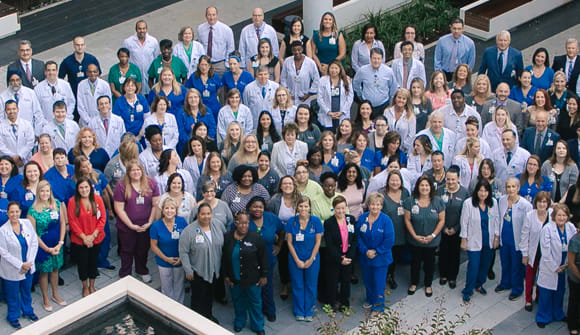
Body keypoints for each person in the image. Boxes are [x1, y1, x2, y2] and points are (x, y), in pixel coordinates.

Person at [222, 209, 267, 334]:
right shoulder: (227, 237)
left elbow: (263, 258)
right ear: (235, 223)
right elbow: (224, 258)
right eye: (241, 223)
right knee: (238, 302)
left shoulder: (256, 238)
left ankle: (258, 326)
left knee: (255, 303)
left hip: (253, 279)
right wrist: (226, 276)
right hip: (234, 278)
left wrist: (264, 275)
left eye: (246, 223)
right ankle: (239, 322)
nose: (244, 226)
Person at [113, 160, 159, 281]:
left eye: (138, 169)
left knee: (142, 250)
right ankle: (125, 274)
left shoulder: (151, 183)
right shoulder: (121, 186)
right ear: (128, 172)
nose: (136, 172)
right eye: (133, 170)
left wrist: (150, 222)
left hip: (145, 225)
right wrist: (131, 225)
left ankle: (141, 270)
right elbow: (119, 209)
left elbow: (155, 205)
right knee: (127, 251)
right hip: (127, 227)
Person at [179, 203, 224, 322]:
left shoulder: (218, 225)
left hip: (215, 270)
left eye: (208, 213)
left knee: (209, 296)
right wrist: (188, 270)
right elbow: (183, 252)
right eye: (203, 214)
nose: (206, 216)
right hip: (198, 272)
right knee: (198, 298)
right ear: (198, 215)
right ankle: (197, 321)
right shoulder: (189, 231)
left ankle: (208, 316)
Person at [26, 181, 66, 312]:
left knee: (55, 270)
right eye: (42, 191)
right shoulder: (32, 210)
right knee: (44, 273)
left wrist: (60, 243)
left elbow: (62, 224)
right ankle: (45, 298)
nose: (45, 193)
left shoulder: (57, 204)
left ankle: (55, 294)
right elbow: (33, 234)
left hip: (57, 245)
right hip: (43, 248)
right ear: (38, 192)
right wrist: (47, 249)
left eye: (47, 191)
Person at [535, 204, 576, 328]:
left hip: (565, 265)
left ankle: (558, 313)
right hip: (550, 267)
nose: (562, 218)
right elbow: (545, 251)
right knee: (546, 293)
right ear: (554, 216)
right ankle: (543, 316)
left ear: (567, 216)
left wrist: (568, 264)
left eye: (564, 215)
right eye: (559, 215)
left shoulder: (571, 227)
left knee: (560, 291)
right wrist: (554, 267)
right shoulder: (547, 228)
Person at [404, 176, 445, 297]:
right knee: (415, 262)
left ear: (431, 187)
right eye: (422, 185)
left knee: (430, 263)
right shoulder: (410, 201)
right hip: (415, 240)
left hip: (431, 241)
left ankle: (428, 284)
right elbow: (407, 220)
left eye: (427, 185)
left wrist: (432, 235)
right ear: (417, 187)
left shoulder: (438, 201)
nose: (424, 188)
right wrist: (415, 236)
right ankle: (414, 283)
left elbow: (442, 220)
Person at [0, 202, 39, 329]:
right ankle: (13, 316)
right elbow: (4, 253)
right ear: (7, 213)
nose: (14, 214)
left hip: (28, 264)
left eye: (16, 211)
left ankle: (27, 311)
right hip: (12, 268)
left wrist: (28, 263)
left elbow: (34, 242)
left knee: (26, 291)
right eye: (11, 212)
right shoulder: (2, 231)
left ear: (20, 212)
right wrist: (21, 265)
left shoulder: (26, 223)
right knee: (12, 295)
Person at [460, 180, 500, 302]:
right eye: (480, 190)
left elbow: (497, 220)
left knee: (485, 265)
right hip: (474, 240)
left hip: (488, 240)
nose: (483, 193)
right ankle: (468, 290)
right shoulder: (468, 203)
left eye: (485, 191)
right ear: (476, 191)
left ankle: (479, 284)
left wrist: (496, 237)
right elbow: (464, 222)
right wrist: (464, 239)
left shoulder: (493, 202)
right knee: (474, 266)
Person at [286, 196, 323, 321]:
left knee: (311, 285)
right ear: (297, 207)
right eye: (301, 206)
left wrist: (311, 259)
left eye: (306, 206)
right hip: (295, 257)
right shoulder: (292, 221)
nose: (303, 208)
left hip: (312, 258)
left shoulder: (316, 221)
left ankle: (309, 311)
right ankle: (299, 311)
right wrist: (297, 260)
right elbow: (289, 243)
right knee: (297, 285)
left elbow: (318, 242)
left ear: (310, 207)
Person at [67, 177, 106, 297]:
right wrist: (84, 238)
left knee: (93, 262)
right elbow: (72, 221)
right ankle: (85, 286)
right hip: (80, 240)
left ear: (91, 188)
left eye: (86, 187)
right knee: (82, 264)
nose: (84, 190)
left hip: (96, 238)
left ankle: (92, 285)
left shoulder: (98, 199)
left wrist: (93, 236)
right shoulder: (73, 202)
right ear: (77, 189)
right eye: (81, 188)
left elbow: (102, 219)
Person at [495, 178, 533, 300]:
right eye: (508, 187)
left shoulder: (525, 205)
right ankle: (505, 283)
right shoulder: (501, 200)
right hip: (504, 239)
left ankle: (517, 289)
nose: (510, 189)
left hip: (517, 240)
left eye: (513, 187)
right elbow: (498, 218)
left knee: (516, 266)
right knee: (505, 263)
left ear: (517, 188)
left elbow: (528, 226)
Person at [246, 197, 282, 322]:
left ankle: (269, 310)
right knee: (251, 287)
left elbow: (282, 230)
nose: (257, 209)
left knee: (267, 286)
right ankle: (254, 311)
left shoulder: (271, 218)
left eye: (260, 207)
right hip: (249, 261)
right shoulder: (244, 219)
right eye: (255, 207)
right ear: (249, 207)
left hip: (267, 260)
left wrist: (278, 245)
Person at [357, 192, 394, 311]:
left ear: (381, 206)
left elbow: (389, 240)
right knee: (367, 280)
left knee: (379, 283)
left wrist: (376, 251)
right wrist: (365, 250)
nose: (375, 207)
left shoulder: (386, 220)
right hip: (366, 256)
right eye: (372, 204)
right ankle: (370, 299)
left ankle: (378, 307)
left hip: (381, 258)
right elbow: (357, 236)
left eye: (378, 205)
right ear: (368, 205)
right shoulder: (362, 218)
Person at [322, 195, 357, 311]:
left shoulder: (351, 219)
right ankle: (333, 302)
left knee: (346, 281)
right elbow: (330, 244)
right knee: (333, 281)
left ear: (346, 208)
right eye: (338, 208)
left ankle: (344, 302)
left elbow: (355, 239)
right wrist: (340, 259)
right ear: (333, 209)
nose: (341, 211)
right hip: (334, 258)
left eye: (343, 208)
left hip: (348, 257)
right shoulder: (329, 223)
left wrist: (349, 257)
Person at [150, 197, 187, 303]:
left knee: (179, 285)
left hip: (179, 260)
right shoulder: (156, 225)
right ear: (162, 210)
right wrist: (166, 259)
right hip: (163, 261)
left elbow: (186, 241)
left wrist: (181, 257)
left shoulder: (182, 222)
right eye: (167, 208)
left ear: (176, 210)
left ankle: (179, 307)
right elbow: (153, 246)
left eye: (172, 208)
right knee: (166, 287)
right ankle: (167, 308)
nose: (169, 211)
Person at [267, 176, 298, 299]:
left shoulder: (299, 199)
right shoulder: (275, 200)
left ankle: (295, 284)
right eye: (284, 183)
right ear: (280, 186)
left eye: (290, 183)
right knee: (283, 262)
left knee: (295, 261)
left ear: (294, 185)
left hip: (296, 237)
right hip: (281, 237)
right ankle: (284, 284)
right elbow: (270, 219)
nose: (287, 186)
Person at [520, 191, 552, 312]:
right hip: (533, 251)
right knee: (530, 277)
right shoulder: (530, 215)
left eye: (544, 202)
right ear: (536, 203)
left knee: (542, 276)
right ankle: (528, 299)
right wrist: (525, 253)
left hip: (546, 252)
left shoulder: (552, 214)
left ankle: (538, 296)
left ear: (548, 203)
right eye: (540, 202)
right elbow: (524, 235)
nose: (542, 204)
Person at [438, 167, 469, 288]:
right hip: (442, 228)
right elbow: (436, 210)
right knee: (443, 252)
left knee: (455, 254)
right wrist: (444, 227)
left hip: (457, 229)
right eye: (448, 179)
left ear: (458, 179)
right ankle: (443, 274)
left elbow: (465, 214)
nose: (450, 182)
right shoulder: (440, 191)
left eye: (453, 179)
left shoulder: (464, 192)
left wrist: (456, 228)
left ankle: (452, 276)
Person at [378, 170, 408, 290]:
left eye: (397, 180)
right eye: (392, 180)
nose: (395, 182)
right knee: (386, 254)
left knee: (396, 255)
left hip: (401, 229)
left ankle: (391, 274)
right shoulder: (382, 195)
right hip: (386, 232)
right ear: (388, 181)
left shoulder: (405, 193)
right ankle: (385, 276)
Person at [353, 48, 399, 118]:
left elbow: (393, 87)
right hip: (367, 106)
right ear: (370, 58)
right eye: (374, 58)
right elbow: (355, 83)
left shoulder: (388, 71)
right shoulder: (362, 70)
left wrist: (391, 103)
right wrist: (360, 95)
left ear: (382, 59)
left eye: (378, 58)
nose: (376, 61)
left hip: (383, 105)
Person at [1, 71, 45, 136]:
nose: (15, 83)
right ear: (9, 82)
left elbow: (38, 114)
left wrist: (37, 134)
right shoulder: (2, 97)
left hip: (29, 131)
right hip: (9, 133)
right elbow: (1, 117)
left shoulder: (30, 93)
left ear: (21, 80)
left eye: (17, 80)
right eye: (12, 80)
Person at [122, 21, 159, 94]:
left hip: (149, 76)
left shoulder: (153, 41)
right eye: (139, 29)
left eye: (143, 28)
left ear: (146, 29)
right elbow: (125, 58)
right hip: (134, 76)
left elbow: (155, 57)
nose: (142, 31)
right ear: (136, 29)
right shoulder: (128, 42)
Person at [197, 6, 235, 77]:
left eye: (213, 15)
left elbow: (230, 48)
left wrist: (226, 64)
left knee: (221, 87)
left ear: (217, 15)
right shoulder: (200, 29)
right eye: (209, 15)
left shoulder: (226, 30)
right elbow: (200, 46)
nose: (211, 17)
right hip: (205, 65)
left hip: (220, 65)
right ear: (206, 16)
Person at [317, 60, 353, 130]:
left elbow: (350, 97)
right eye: (332, 68)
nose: (334, 70)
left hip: (341, 114)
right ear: (329, 69)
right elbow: (319, 98)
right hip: (327, 114)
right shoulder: (322, 80)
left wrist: (342, 111)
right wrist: (328, 112)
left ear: (340, 69)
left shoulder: (346, 80)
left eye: (336, 68)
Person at [281, 42, 319, 106]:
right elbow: (283, 78)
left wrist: (309, 94)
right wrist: (287, 93)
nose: (297, 52)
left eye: (299, 49)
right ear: (291, 51)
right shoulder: (287, 61)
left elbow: (316, 79)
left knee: (303, 115)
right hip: (290, 97)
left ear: (302, 49)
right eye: (294, 50)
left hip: (304, 98)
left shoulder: (310, 63)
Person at [185, 56, 222, 121]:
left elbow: (219, 91)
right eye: (202, 65)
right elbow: (188, 90)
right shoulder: (194, 77)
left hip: (214, 107)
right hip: (199, 108)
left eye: (206, 65)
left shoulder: (215, 77)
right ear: (199, 66)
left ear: (209, 65)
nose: (204, 67)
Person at [384, 88, 416, 152]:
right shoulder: (387, 112)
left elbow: (411, 135)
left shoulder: (411, 116)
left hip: (403, 150)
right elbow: (384, 129)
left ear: (407, 101)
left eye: (404, 99)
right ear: (395, 98)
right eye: (399, 97)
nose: (401, 100)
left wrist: (403, 147)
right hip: (387, 148)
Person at [567, 216, 580, 335]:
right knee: (574, 301)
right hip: (576, 277)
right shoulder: (575, 240)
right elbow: (571, 263)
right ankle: (572, 325)